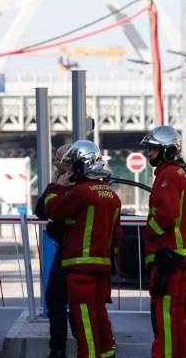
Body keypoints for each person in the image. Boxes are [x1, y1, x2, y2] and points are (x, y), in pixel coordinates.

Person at [42, 140, 121, 358]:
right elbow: (116, 236)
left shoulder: (80, 193)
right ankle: (107, 353)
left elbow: (50, 209)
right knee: (99, 314)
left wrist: (56, 185)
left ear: (80, 165)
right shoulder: (112, 196)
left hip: (79, 268)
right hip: (102, 269)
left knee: (84, 318)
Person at [141, 126, 186, 358]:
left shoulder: (168, 175)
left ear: (166, 150)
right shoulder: (176, 174)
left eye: (153, 149)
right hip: (178, 257)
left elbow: (166, 215)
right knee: (177, 317)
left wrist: (148, 232)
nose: (149, 153)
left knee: (166, 320)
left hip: (168, 257)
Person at [34, 144, 77, 358]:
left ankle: (58, 350)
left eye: (58, 160)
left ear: (68, 162)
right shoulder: (88, 185)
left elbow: (42, 210)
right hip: (76, 252)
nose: (55, 163)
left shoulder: (69, 187)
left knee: (57, 300)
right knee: (78, 304)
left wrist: (56, 185)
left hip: (71, 253)